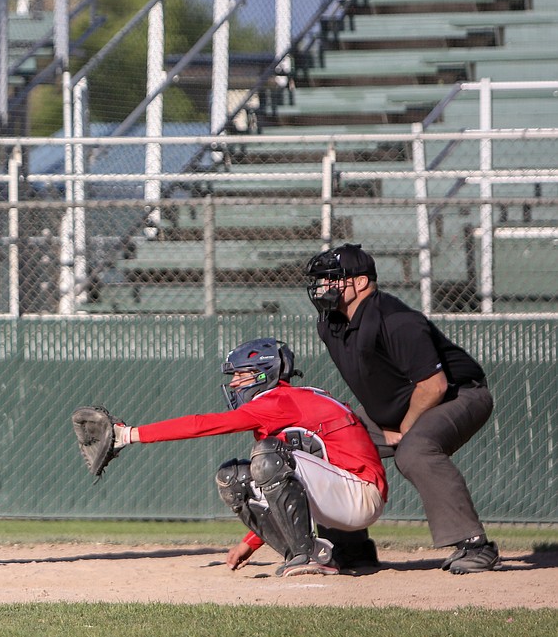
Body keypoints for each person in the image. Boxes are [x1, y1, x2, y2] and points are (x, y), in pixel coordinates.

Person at [104, 337, 387, 577]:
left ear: (266, 373)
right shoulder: (290, 399)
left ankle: (308, 555)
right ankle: (311, 555)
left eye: (242, 374)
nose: (235, 383)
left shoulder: (278, 401)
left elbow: (203, 425)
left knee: (267, 457)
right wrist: (250, 544)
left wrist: (129, 435)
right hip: (343, 496)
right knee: (235, 478)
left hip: (360, 494)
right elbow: (291, 487)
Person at [305, 243, 501, 574]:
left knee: (415, 450)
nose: (323, 287)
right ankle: (351, 550)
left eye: (332, 279)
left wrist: (405, 427)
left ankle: (475, 546)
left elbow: (433, 386)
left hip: (458, 396)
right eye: (321, 280)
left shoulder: (396, 320)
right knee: (326, 445)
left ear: (361, 283)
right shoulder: (331, 324)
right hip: (398, 409)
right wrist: (383, 426)